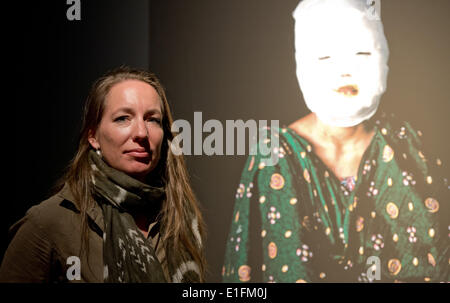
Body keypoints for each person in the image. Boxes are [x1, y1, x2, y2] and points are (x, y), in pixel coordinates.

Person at [222, 0, 449, 282]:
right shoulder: (275, 158)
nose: (345, 71)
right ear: (302, 63)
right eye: (325, 58)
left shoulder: (409, 147)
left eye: (362, 53)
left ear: (383, 54)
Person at [0, 66, 206, 282]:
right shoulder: (48, 223)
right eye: (123, 118)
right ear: (93, 136)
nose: (141, 133)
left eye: (152, 119)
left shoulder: (177, 218)